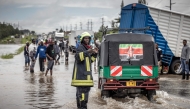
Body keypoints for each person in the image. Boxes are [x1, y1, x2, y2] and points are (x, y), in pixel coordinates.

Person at [71, 32, 98, 109]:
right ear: (82, 39)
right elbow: (78, 58)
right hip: (81, 78)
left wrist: (95, 54)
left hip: (86, 78)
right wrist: (88, 52)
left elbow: (90, 61)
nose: (87, 39)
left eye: (88, 38)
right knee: (82, 98)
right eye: (85, 38)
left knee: (83, 98)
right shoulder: (80, 47)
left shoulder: (87, 48)